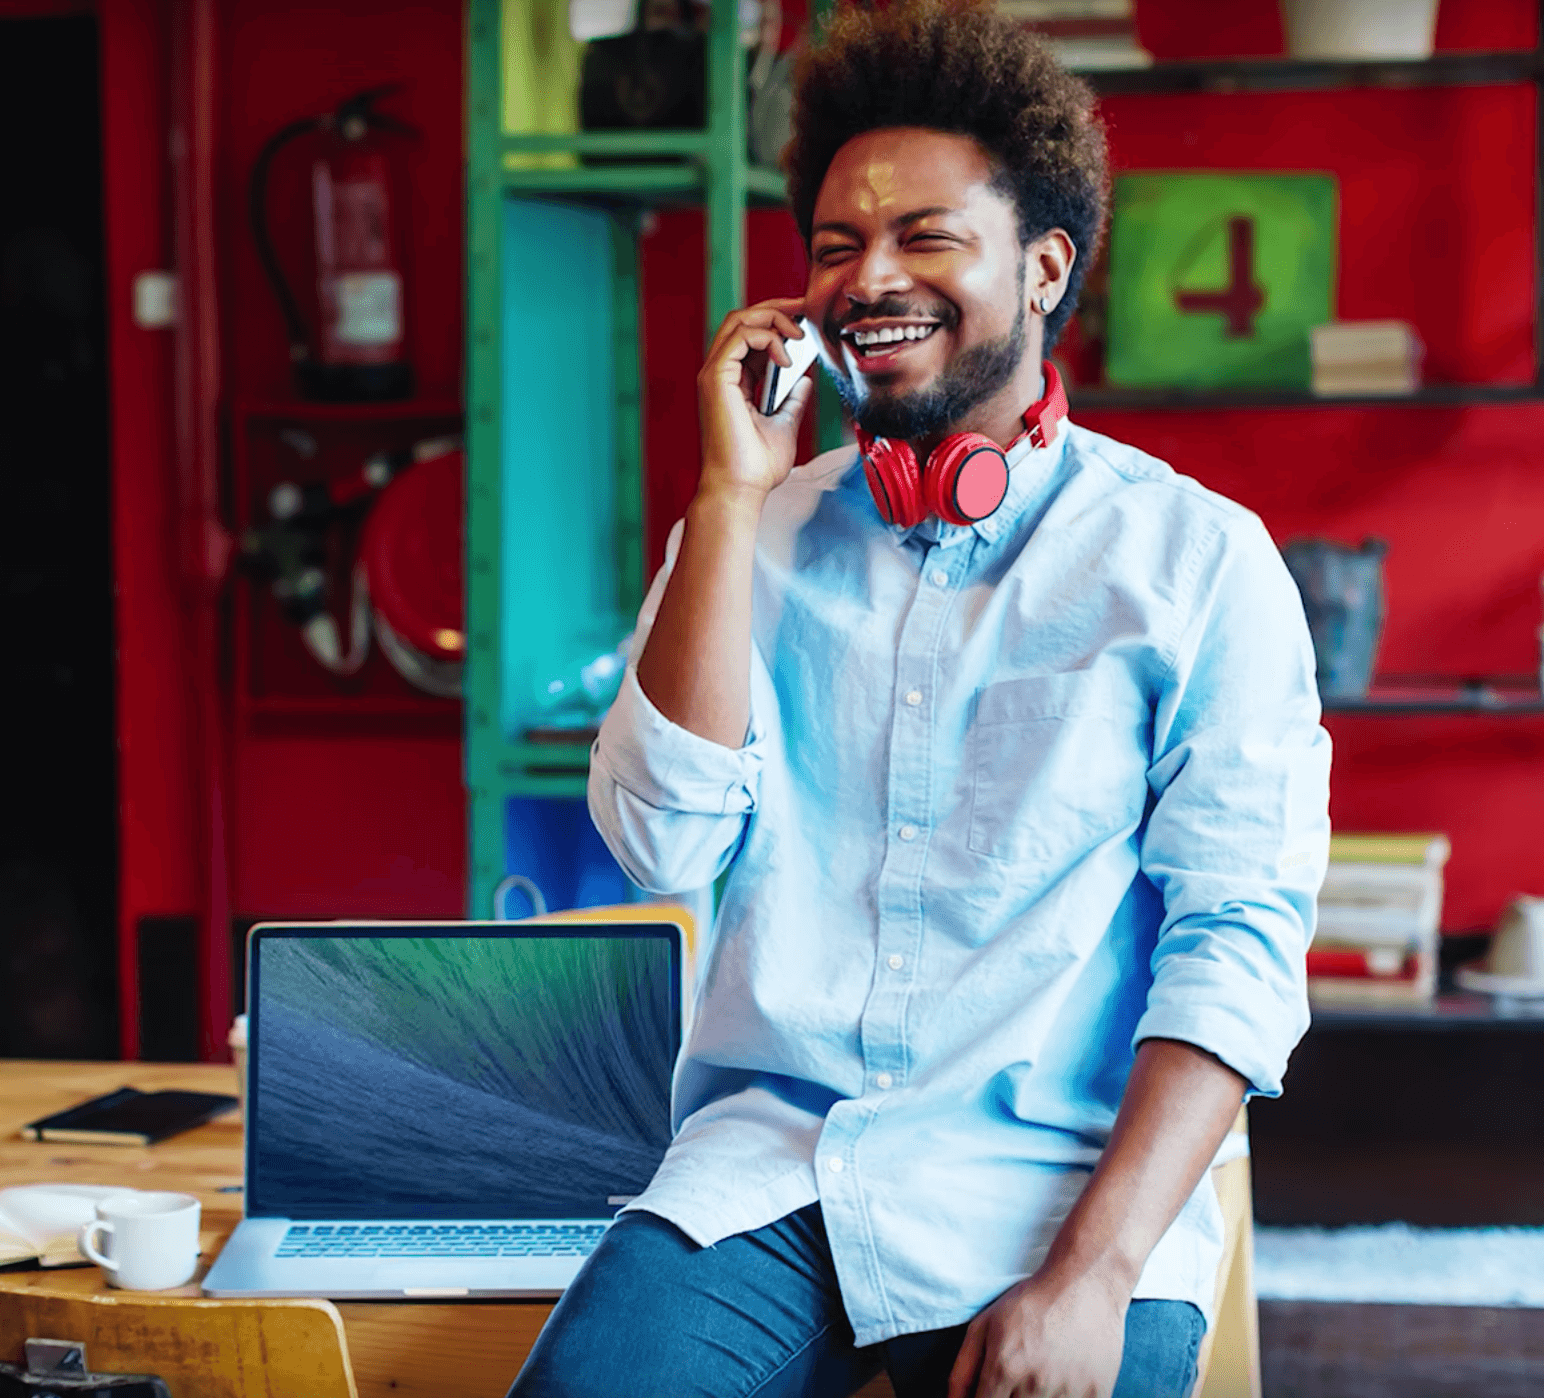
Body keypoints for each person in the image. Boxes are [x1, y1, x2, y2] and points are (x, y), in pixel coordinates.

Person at [508, 3, 1331, 1396]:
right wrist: (726, 492)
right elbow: (661, 844)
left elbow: (1237, 943)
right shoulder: (751, 534)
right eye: (835, 246)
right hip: (767, 1177)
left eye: (925, 235)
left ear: (1044, 265)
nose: (868, 276)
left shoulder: (1197, 560)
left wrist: (1094, 1275)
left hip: (1058, 1190)